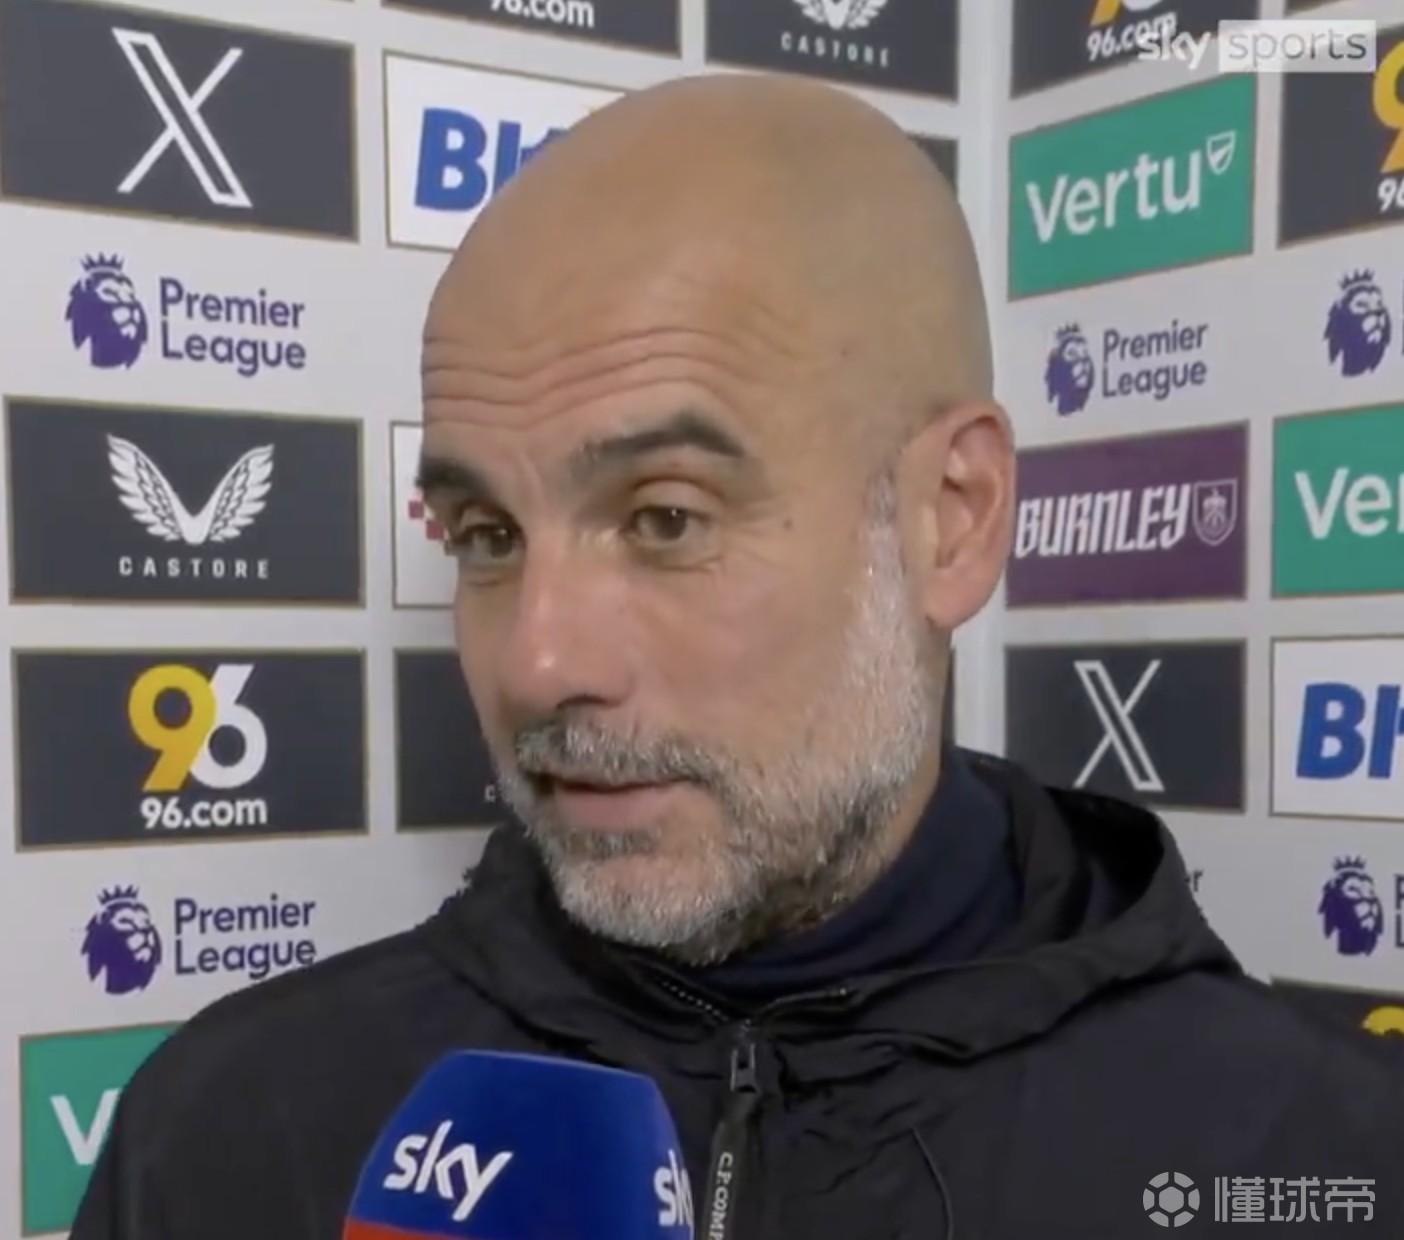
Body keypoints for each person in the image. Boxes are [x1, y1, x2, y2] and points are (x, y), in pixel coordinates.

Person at [73, 73, 1401, 1240]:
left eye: (665, 519)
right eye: (486, 535)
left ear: (952, 521)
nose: (538, 660)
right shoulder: (232, 1136)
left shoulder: (1321, 1158)